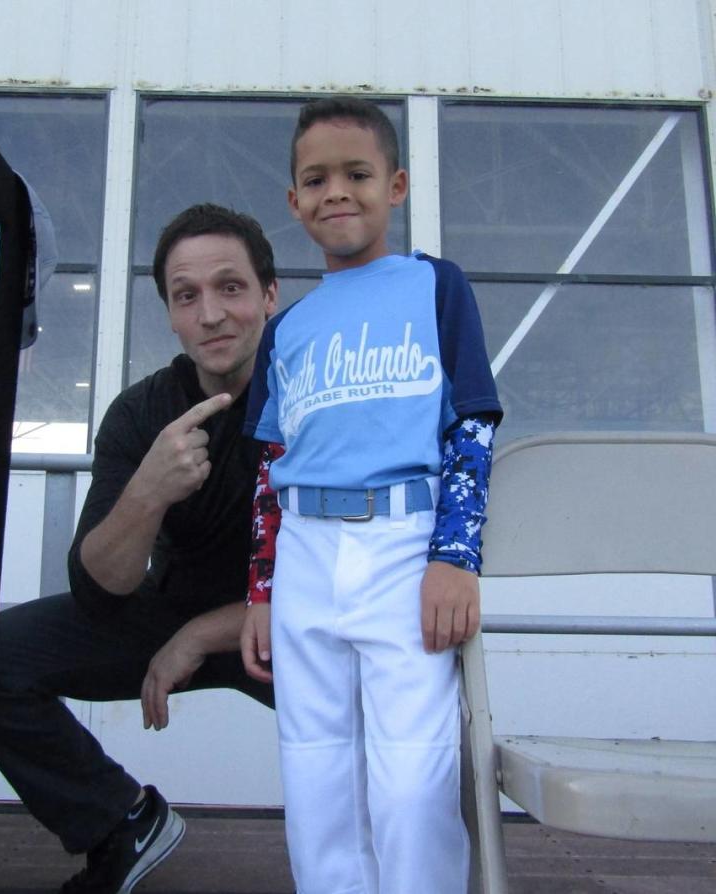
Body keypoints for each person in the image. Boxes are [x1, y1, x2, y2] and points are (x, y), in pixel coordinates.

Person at [240, 97, 503, 894]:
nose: (336, 192)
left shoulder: (434, 285)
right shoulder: (289, 327)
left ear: (396, 185)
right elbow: (270, 465)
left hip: (404, 547)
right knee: (316, 773)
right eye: (315, 179)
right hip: (308, 558)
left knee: (411, 776)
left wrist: (455, 556)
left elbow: (474, 423)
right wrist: (261, 586)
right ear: (294, 201)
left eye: (357, 174)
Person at [0, 203, 278, 894]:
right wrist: (148, 491)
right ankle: (120, 821)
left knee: (383, 681)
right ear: (171, 316)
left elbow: (349, 580)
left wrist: (201, 636)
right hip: (167, 611)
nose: (210, 314)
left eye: (230, 288)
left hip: (288, 624)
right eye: (187, 296)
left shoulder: (318, 397)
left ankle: (389, 850)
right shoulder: (144, 414)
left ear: (270, 295)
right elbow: (99, 589)